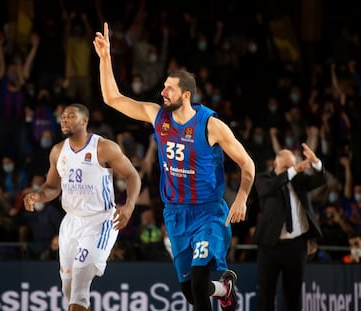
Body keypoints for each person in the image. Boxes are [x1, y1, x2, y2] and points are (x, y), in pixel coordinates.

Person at [94, 23, 256, 311]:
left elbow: (247, 163)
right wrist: (106, 59)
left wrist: (241, 197)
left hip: (207, 212)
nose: (163, 91)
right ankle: (224, 289)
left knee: (197, 282)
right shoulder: (157, 116)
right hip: (175, 213)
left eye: (169, 88)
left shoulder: (211, 125)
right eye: (164, 86)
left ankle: (218, 287)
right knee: (191, 292)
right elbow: (112, 99)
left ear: (186, 95)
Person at [23, 103, 141, 311]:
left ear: (84, 121)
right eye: (62, 116)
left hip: (101, 220)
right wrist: (37, 196)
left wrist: (129, 206)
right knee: (69, 291)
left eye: (70, 116)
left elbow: (132, 175)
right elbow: (52, 186)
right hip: (71, 222)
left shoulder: (104, 147)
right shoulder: (58, 151)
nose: (64, 119)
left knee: (79, 283)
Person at [252, 143, 327, 311]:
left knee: (293, 296)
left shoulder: (299, 180)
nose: (291, 170)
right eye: (286, 166)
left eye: (292, 166)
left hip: (297, 246)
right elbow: (270, 188)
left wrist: (316, 163)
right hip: (270, 246)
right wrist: (294, 170)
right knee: (266, 295)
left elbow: (321, 179)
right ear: (275, 165)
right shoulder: (264, 179)